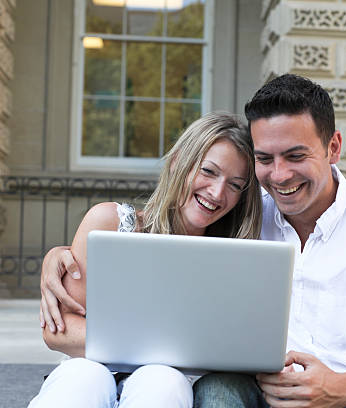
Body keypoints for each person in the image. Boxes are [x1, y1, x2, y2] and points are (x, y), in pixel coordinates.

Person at [40, 75, 346, 408]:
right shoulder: (241, 217)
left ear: (334, 147)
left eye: (296, 156)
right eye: (265, 159)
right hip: (263, 395)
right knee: (216, 388)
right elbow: (168, 240)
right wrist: (59, 256)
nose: (279, 176)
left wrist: (343, 388)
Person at [29, 111, 262, 408]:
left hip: (172, 383)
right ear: (179, 163)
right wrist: (162, 344)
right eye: (208, 171)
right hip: (94, 366)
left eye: (234, 185)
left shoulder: (235, 257)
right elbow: (58, 332)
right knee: (83, 378)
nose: (217, 193)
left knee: (162, 382)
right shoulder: (110, 222)